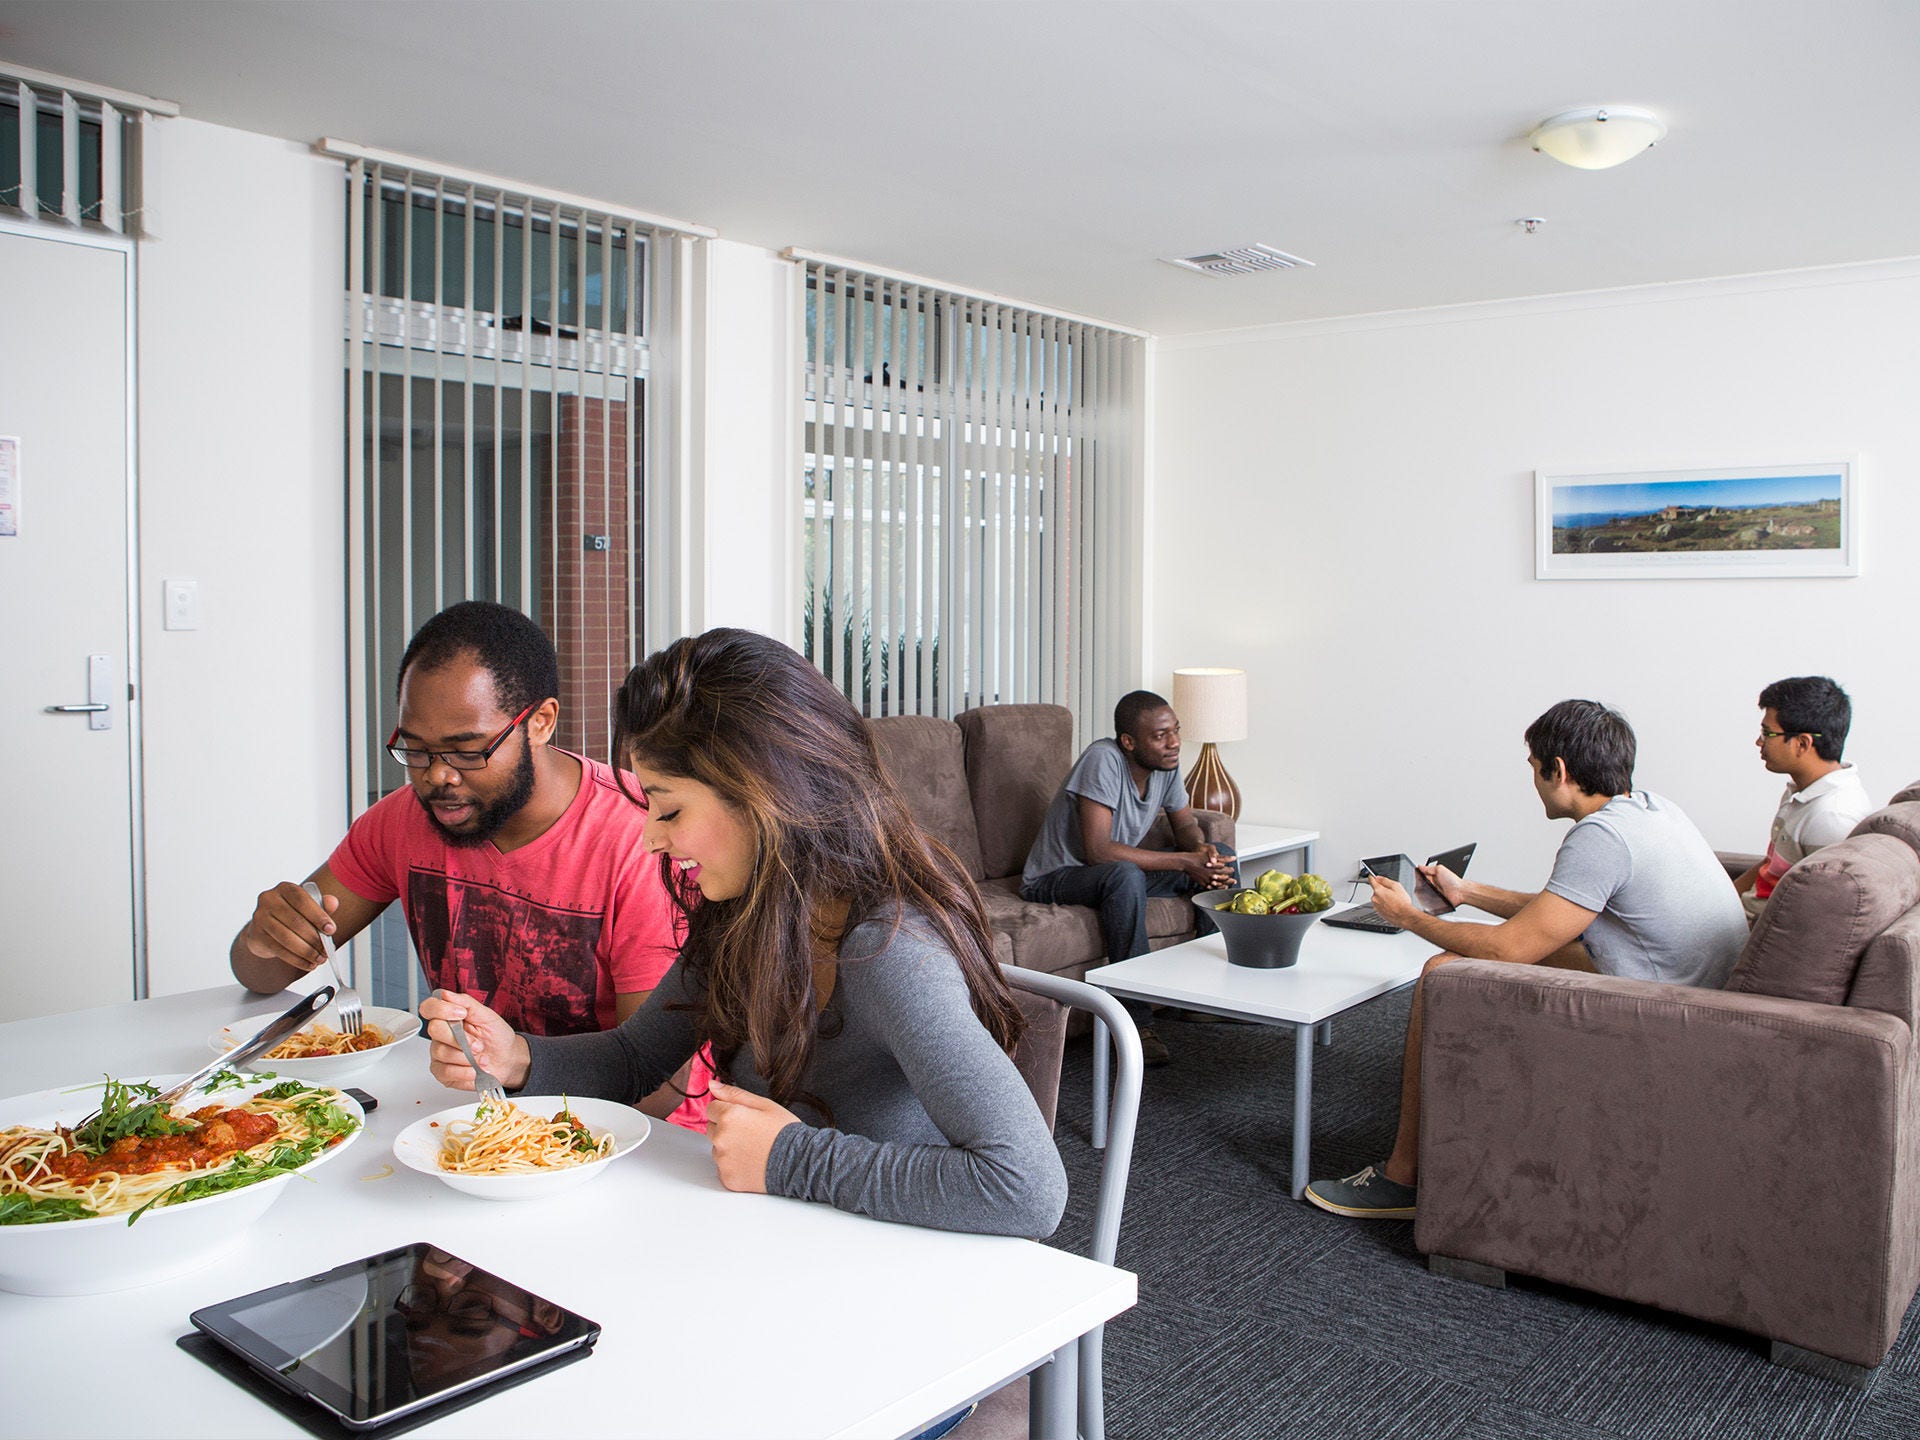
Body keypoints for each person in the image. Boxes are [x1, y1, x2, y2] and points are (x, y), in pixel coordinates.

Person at [419, 627, 1068, 1240]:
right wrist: (518, 1057)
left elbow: (1027, 1187)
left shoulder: (888, 950)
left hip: (895, 1281)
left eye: (670, 808)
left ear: (764, 795)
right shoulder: (744, 914)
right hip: (781, 1243)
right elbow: (637, 1058)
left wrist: (789, 1159)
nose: (652, 838)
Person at [229, 601, 700, 1127]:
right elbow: (258, 974)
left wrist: (516, 1062)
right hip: (481, 1120)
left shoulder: (645, 839)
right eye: (416, 749)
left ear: (541, 722)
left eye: (466, 750)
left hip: (641, 1145)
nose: (438, 777)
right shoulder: (400, 822)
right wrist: (264, 936)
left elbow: (660, 1089)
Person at [1304, 699, 1748, 1220]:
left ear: (1557, 770)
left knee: (1443, 973)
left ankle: (1402, 1179)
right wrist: (1467, 892)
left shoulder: (1601, 838)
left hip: (1663, 1018)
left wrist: (1408, 916)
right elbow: (1562, 910)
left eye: (1534, 769)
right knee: (1531, 946)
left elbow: (1510, 948)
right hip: (1696, 996)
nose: (1533, 783)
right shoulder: (1650, 810)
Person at [1020, 690, 1236, 1065]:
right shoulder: (1102, 759)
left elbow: (1185, 825)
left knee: (1225, 859)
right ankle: (1134, 1023)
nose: (1173, 743)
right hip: (1057, 876)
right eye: (1160, 736)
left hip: (1112, 875)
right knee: (1124, 875)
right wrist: (1186, 863)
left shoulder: (1165, 766)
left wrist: (1203, 852)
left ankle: (1205, 998)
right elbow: (1098, 851)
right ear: (1129, 742)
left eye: (1175, 731)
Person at [1733, 675, 1871, 920]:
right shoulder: (1802, 793)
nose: (1758, 741)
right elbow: (1769, 867)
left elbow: (1820, 918)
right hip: (1737, 921)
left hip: (1754, 941)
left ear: (1802, 743)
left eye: (1767, 733)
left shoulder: (1832, 817)